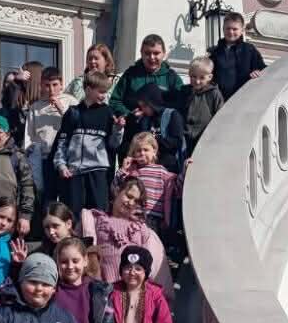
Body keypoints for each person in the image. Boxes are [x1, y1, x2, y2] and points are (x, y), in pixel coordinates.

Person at [52, 70, 126, 214]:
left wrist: (118, 129)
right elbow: (62, 142)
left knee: (98, 216)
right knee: (73, 216)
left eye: (106, 92)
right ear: (88, 89)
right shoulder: (72, 113)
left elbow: (114, 144)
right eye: (101, 92)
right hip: (74, 173)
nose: (104, 95)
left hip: (98, 173)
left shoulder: (108, 113)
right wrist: (61, 165)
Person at [81, 177, 170, 292]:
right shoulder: (97, 219)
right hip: (105, 289)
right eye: (129, 196)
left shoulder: (140, 228)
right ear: (117, 191)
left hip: (132, 290)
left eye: (136, 201)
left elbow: (151, 264)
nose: (131, 203)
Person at [25, 66, 73, 205]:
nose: (51, 90)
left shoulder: (71, 101)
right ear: (41, 86)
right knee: (47, 199)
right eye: (47, 85)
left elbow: (77, 126)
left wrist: (61, 109)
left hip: (66, 158)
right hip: (45, 159)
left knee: (67, 199)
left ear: (61, 84)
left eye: (55, 85)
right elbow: (29, 135)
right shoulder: (35, 107)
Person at [115, 134, 177, 236]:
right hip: (132, 216)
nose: (142, 153)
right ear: (133, 154)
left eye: (146, 150)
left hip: (152, 218)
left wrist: (185, 170)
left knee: (148, 242)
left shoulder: (161, 171)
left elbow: (175, 186)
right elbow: (116, 188)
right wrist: (123, 169)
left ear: (154, 151)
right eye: (138, 151)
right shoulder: (132, 172)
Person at [110, 34, 183, 117]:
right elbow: (115, 101)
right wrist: (128, 114)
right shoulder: (131, 74)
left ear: (164, 53)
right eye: (147, 53)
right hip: (134, 123)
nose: (152, 57)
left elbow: (180, 103)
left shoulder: (172, 77)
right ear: (141, 53)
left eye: (156, 53)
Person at [123, 84, 186, 174]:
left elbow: (176, 142)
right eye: (141, 106)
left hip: (169, 167)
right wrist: (134, 120)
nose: (143, 109)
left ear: (153, 103)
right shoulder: (144, 119)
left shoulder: (172, 115)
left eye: (145, 106)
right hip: (148, 167)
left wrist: (154, 139)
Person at [208, 11, 265, 101]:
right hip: (219, 101)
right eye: (228, 28)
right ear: (223, 29)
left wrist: (257, 72)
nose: (231, 32)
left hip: (243, 99)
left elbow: (263, 70)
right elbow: (208, 76)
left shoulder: (249, 50)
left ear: (242, 30)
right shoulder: (215, 52)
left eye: (235, 29)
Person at [177, 56, 224, 157]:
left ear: (210, 77)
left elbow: (220, 117)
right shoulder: (185, 91)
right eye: (193, 77)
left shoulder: (214, 94)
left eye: (202, 78)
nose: (197, 81)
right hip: (185, 138)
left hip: (203, 138)